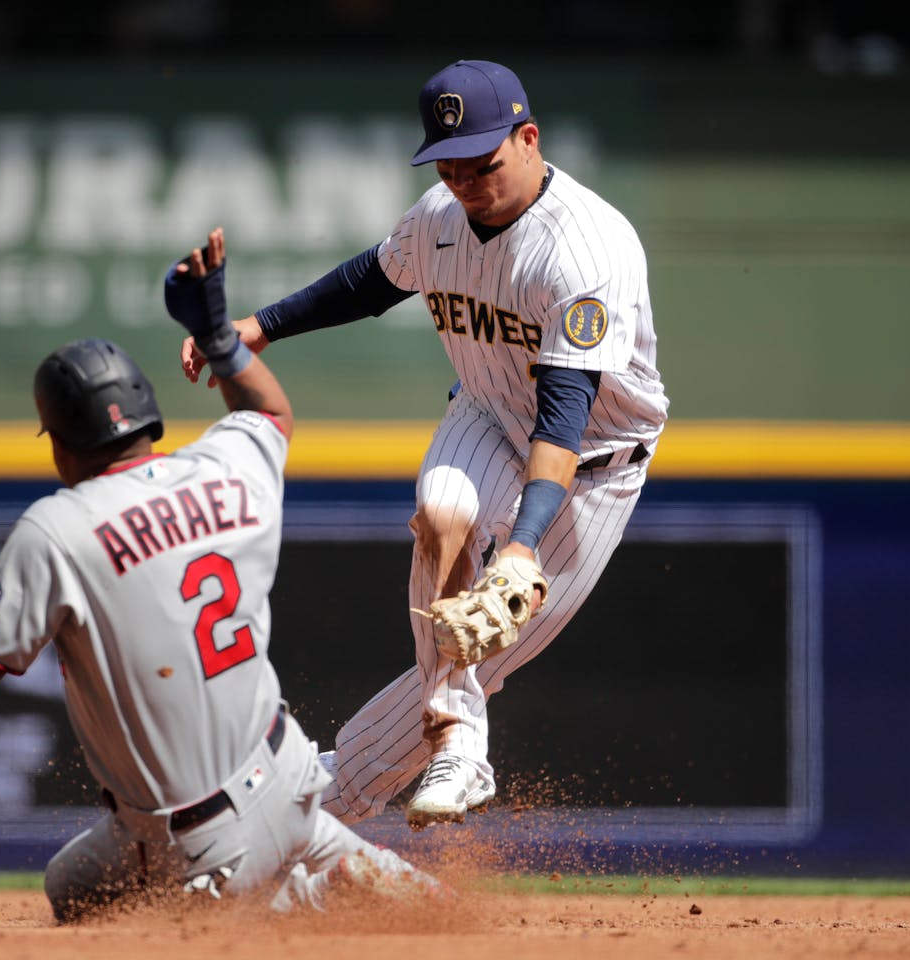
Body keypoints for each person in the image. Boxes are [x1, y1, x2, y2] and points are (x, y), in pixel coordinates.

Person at [0, 228, 436, 919]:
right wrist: (219, 339)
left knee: (118, 908)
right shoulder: (227, 468)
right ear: (146, 413)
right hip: (290, 776)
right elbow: (268, 411)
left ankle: (307, 895)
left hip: (197, 841)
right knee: (76, 883)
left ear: (59, 442)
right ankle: (339, 867)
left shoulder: (59, 528)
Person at [180, 60, 669, 829]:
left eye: (485, 162)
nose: (467, 179)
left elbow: (563, 418)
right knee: (441, 514)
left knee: (482, 641)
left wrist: (523, 545)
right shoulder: (439, 215)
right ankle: (456, 742)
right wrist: (258, 328)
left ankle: (320, 795)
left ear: (530, 138)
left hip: (593, 464)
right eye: (450, 163)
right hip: (485, 408)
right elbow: (371, 280)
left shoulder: (585, 251)